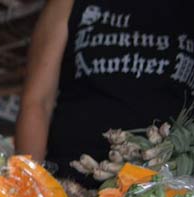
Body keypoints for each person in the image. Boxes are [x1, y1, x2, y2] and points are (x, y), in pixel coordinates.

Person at [15, 0, 194, 178]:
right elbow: (37, 102)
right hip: (71, 180)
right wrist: (29, 183)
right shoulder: (67, 4)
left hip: (163, 190)